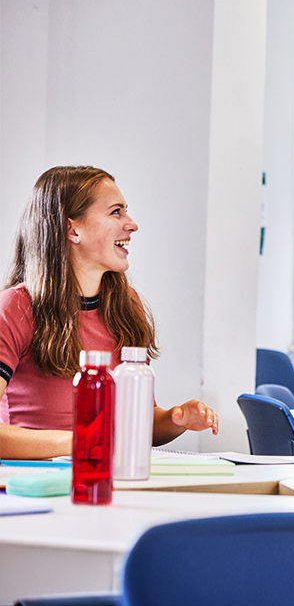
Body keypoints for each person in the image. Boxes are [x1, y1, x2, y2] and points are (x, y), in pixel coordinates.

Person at [0, 166, 218, 460]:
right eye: (116, 212)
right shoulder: (15, 307)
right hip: (35, 483)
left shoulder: (126, 304)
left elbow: (136, 425)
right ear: (72, 229)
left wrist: (175, 419)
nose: (132, 224)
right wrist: (82, 441)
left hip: (110, 476)